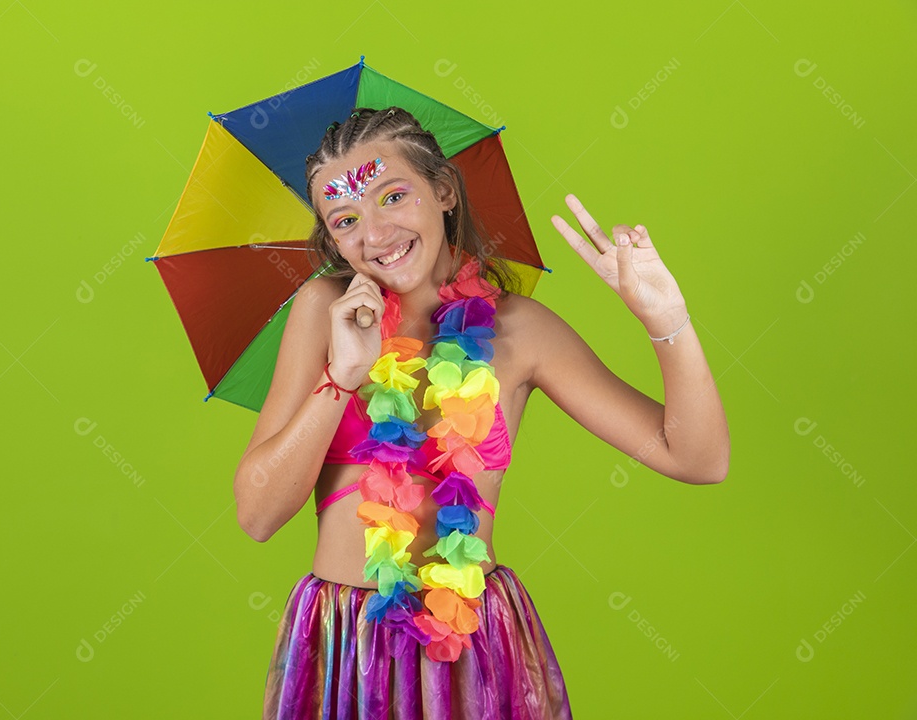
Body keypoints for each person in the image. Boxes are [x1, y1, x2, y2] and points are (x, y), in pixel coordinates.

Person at [235, 107, 729, 719]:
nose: (376, 233)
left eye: (394, 196)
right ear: (333, 240)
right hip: (346, 645)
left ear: (443, 190)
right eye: (346, 220)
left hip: (470, 645)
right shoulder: (322, 310)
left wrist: (667, 322)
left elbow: (698, 459)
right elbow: (257, 515)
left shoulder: (520, 331)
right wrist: (343, 376)